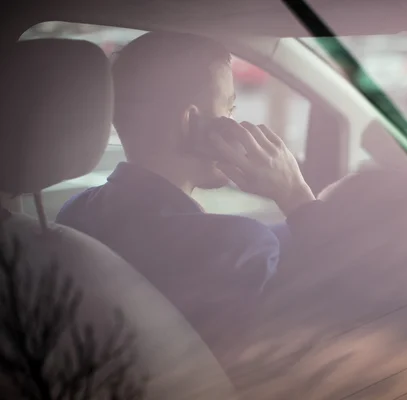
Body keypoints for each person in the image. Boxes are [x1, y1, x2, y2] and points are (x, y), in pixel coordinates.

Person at [55, 31, 323, 372]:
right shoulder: (236, 246)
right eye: (229, 106)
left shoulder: (74, 215)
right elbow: (327, 326)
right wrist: (295, 195)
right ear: (192, 122)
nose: (236, 121)